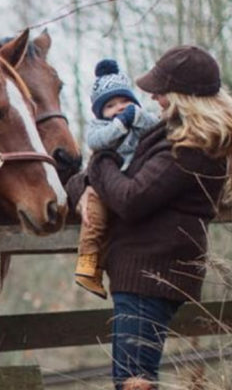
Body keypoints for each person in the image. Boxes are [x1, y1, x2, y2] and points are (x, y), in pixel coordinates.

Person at [66, 45, 232, 389]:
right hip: (141, 272)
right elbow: (108, 182)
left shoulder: (192, 147)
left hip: (152, 274)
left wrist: (101, 159)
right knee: (131, 379)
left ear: (184, 95)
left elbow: (130, 198)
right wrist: (90, 185)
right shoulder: (170, 136)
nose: (156, 98)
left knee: (134, 381)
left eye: (162, 91)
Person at [75, 58, 159, 299]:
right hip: (103, 188)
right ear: (101, 111)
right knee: (94, 221)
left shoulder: (141, 122)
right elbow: (97, 142)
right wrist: (121, 124)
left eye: (125, 102)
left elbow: (157, 126)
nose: (120, 108)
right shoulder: (99, 128)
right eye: (111, 105)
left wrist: (137, 117)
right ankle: (88, 266)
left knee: (113, 230)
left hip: (130, 186)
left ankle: (98, 268)